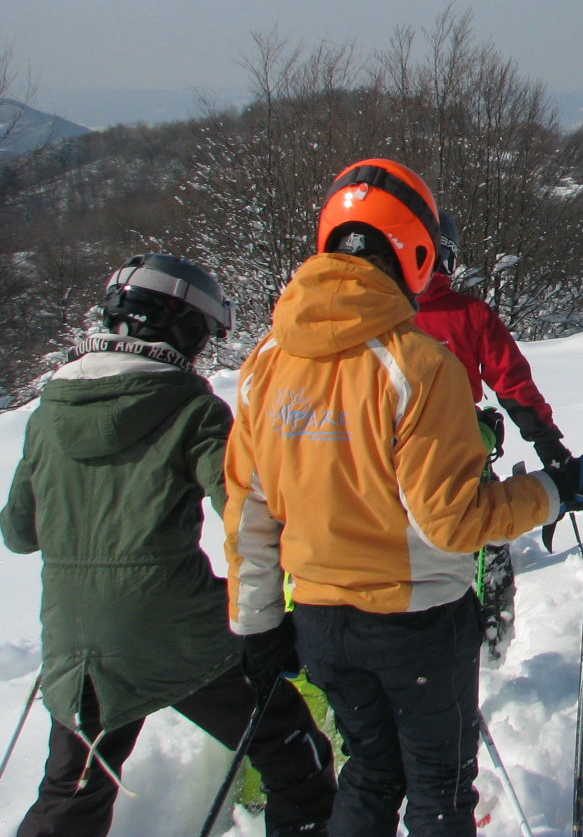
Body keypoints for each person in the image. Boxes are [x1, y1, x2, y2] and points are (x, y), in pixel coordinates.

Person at [223, 158, 583, 837]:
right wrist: (557, 487)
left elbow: (248, 514)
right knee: (439, 790)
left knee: (370, 773)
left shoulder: (265, 363)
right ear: (413, 250)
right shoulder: (417, 365)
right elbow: (453, 521)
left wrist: (257, 626)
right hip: (413, 624)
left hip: (319, 620)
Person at [1, 254, 336, 837]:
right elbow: (248, 519)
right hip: (181, 636)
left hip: (76, 642)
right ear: (178, 327)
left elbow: (19, 533)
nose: (200, 352)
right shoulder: (192, 407)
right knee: (293, 755)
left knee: (71, 795)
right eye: (201, 335)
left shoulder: (48, 413)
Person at [413, 212, 573, 663]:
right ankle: (490, 649)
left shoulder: (370, 317)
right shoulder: (468, 314)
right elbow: (512, 383)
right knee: (486, 548)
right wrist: (547, 442)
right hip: (462, 459)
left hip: (380, 470)